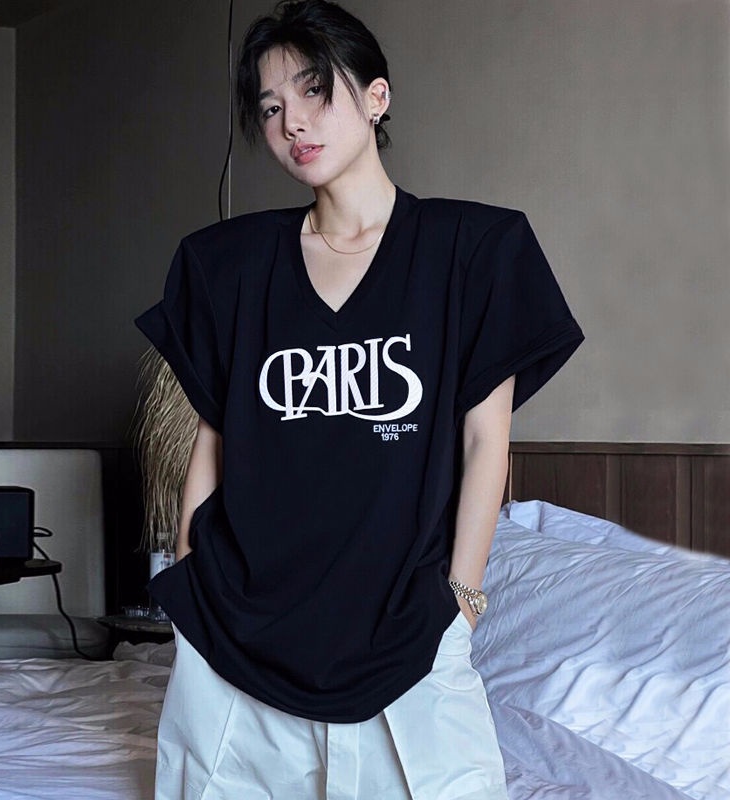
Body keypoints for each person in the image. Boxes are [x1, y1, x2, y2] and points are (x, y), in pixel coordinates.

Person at [136, 1, 584, 797]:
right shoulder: (229, 266)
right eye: (270, 108)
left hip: (404, 623)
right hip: (239, 617)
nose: (292, 122)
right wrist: (188, 564)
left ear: (377, 97)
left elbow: (486, 441)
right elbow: (215, 432)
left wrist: (461, 598)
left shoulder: (472, 252)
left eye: (314, 90)